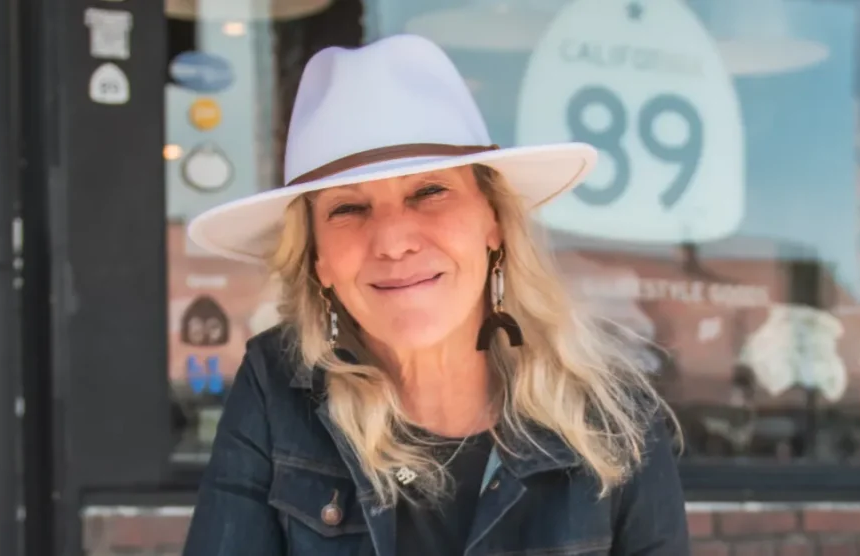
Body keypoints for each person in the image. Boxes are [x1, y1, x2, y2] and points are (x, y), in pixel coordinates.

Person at [179, 34, 688, 555]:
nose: (394, 241)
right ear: (318, 260)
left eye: (429, 192)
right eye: (348, 209)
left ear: (493, 222)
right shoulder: (276, 388)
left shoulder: (615, 413)